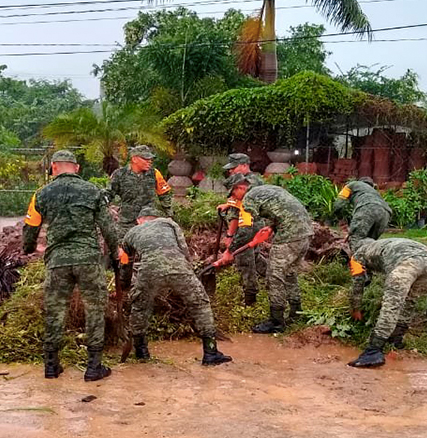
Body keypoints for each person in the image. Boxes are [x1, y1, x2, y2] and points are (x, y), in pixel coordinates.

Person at [23, 150, 120, 382]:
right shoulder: (92, 191)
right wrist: (116, 253)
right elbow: (108, 227)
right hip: (88, 260)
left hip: (57, 262)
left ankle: (51, 365)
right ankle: (94, 367)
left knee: (55, 311)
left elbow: (30, 231)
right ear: (76, 168)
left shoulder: (41, 194)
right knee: (94, 309)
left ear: (54, 167)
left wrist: (29, 249)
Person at [121, 207, 233, 366]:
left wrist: (125, 284)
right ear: (156, 217)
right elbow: (184, 248)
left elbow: (125, 263)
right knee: (200, 304)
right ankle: (210, 353)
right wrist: (188, 270)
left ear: (139, 220)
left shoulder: (131, 233)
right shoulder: (169, 223)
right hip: (179, 267)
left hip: (149, 271)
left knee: (140, 308)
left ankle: (141, 352)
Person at [220, 178, 313, 333]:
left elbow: (245, 231)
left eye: (234, 193)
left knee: (274, 276)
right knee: (289, 273)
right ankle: (296, 312)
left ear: (241, 187)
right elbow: (285, 209)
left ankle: (276, 322)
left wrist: (229, 251)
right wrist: (272, 226)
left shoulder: (248, 199)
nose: (234, 197)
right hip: (306, 232)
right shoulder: (265, 189)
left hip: (289, 236)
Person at [346, 238, 427, 368]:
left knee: (391, 306)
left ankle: (373, 351)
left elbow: (358, 284)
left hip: (407, 264)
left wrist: (355, 308)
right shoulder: (385, 244)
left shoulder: (357, 255)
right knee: (409, 300)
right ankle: (396, 339)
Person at [107, 145, 172, 289]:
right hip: (127, 221)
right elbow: (109, 194)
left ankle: (152, 287)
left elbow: (165, 195)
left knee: (152, 253)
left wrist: (169, 217)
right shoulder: (120, 174)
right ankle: (123, 286)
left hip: (148, 221)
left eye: (151, 159)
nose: (150, 161)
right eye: (146, 159)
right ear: (134, 159)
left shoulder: (154, 174)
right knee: (124, 255)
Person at [332, 177, 392, 321]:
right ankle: (369, 277)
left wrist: (343, 223)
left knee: (358, 245)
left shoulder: (351, 185)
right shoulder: (374, 193)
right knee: (369, 247)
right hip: (386, 213)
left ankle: (359, 282)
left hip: (367, 209)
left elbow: (338, 205)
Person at [218, 155, 267, 305]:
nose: (231, 171)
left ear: (245, 165)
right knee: (254, 255)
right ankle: (275, 277)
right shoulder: (239, 182)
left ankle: (250, 297)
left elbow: (242, 215)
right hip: (246, 223)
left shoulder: (251, 184)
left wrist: (230, 244)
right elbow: (234, 209)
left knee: (244, 257)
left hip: (250, 224)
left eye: (234, 167)